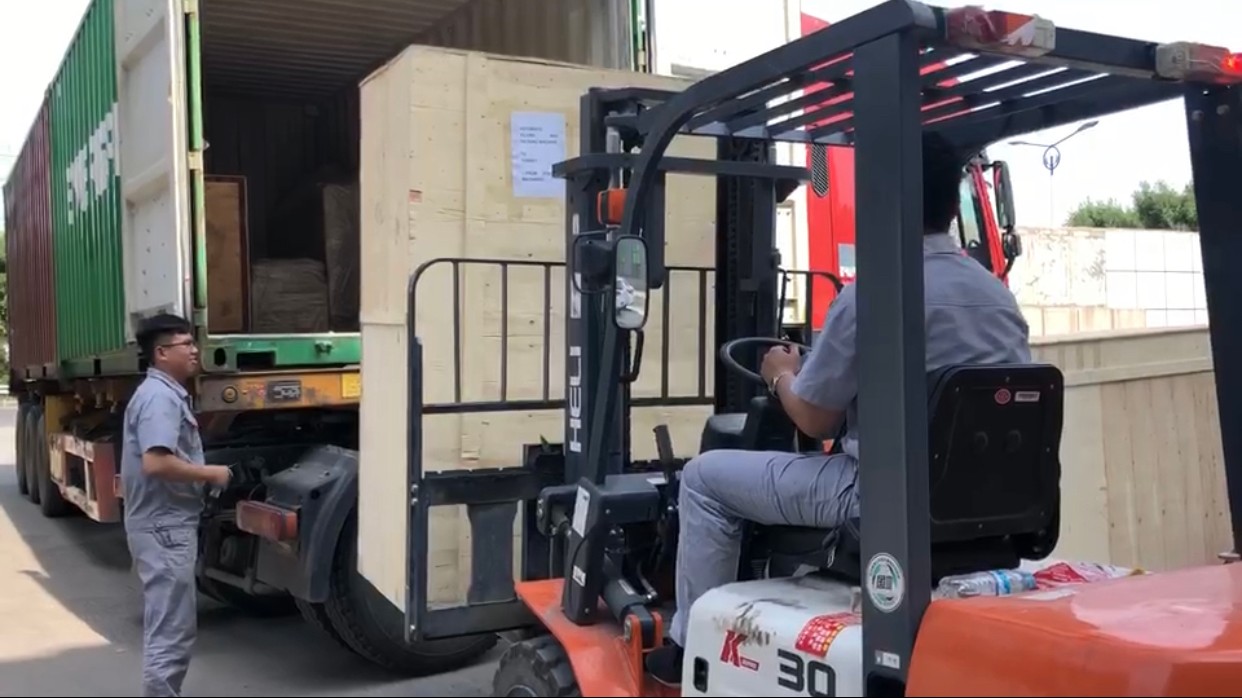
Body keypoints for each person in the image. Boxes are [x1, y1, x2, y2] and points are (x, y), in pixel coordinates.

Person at [645, 133, 1032, 686]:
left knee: (704, 479)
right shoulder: (997, 296)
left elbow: (814, 418)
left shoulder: (874, 294)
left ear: (880, 200)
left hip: (879, 498)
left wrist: (781, 375)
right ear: (951, 205)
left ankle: (688, 646)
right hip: (989, 501)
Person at [120, 313, 232, 697]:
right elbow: (156, 463)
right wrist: (211, 473)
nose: (195, 350)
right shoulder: (159, 399)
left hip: (160, 524)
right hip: (164, 527)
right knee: (171, 632)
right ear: (162, 353)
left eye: (192, 342)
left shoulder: (160, 394)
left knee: (170, 628)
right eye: (186, 344)